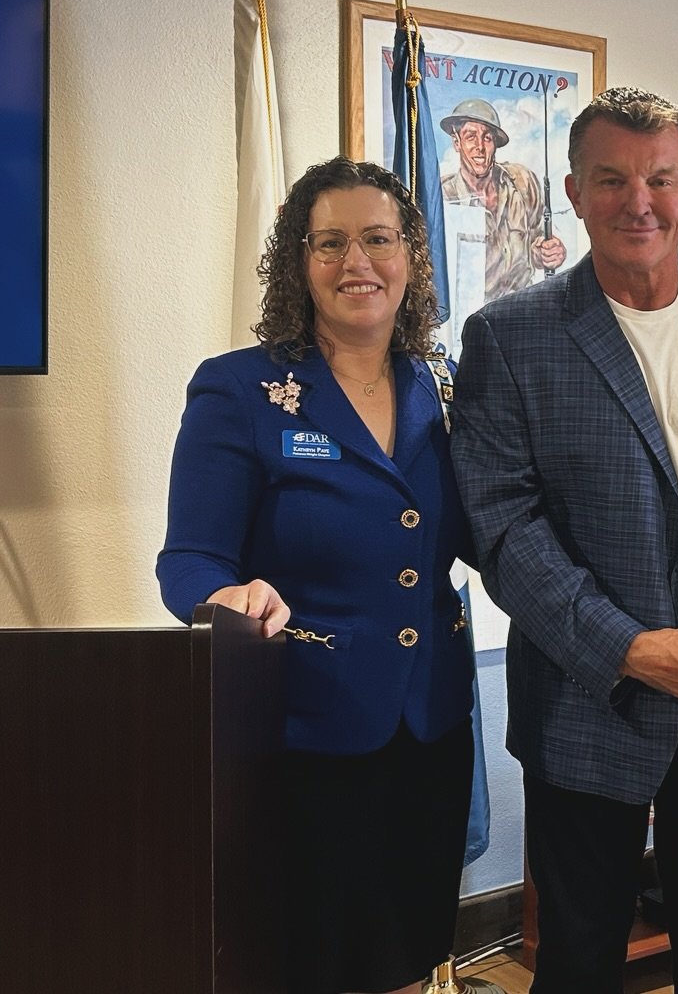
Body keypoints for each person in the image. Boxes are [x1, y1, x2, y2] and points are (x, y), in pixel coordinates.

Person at [451, 87, 678, 994]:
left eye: (660, 178)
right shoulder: (509, 336)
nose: (639, 201)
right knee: (577, 960)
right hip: (589, 700)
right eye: (612, 179)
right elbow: (500, 525)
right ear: (574, 193)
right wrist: (626, 647)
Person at [157, 157, 481, 994]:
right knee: (320, 960)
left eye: (377, 239)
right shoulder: (241, 388)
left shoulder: (446, 386)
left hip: (432, 722)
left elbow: (493, 529)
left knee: (411, 951)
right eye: (329, 243)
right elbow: (190, 557)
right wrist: (222, 596)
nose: (356, 263)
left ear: (410, 254)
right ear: (298, 263)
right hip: (308, 731)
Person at [440, 97, 566, 298]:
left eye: (487, 138)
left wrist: (548, 251)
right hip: (470, 314)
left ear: (496, 144)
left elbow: (539, 237)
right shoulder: (442, 197)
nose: (480, 147)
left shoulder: (523, 183)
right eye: (471, 137)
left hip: (522, 309)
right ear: (457, 143)